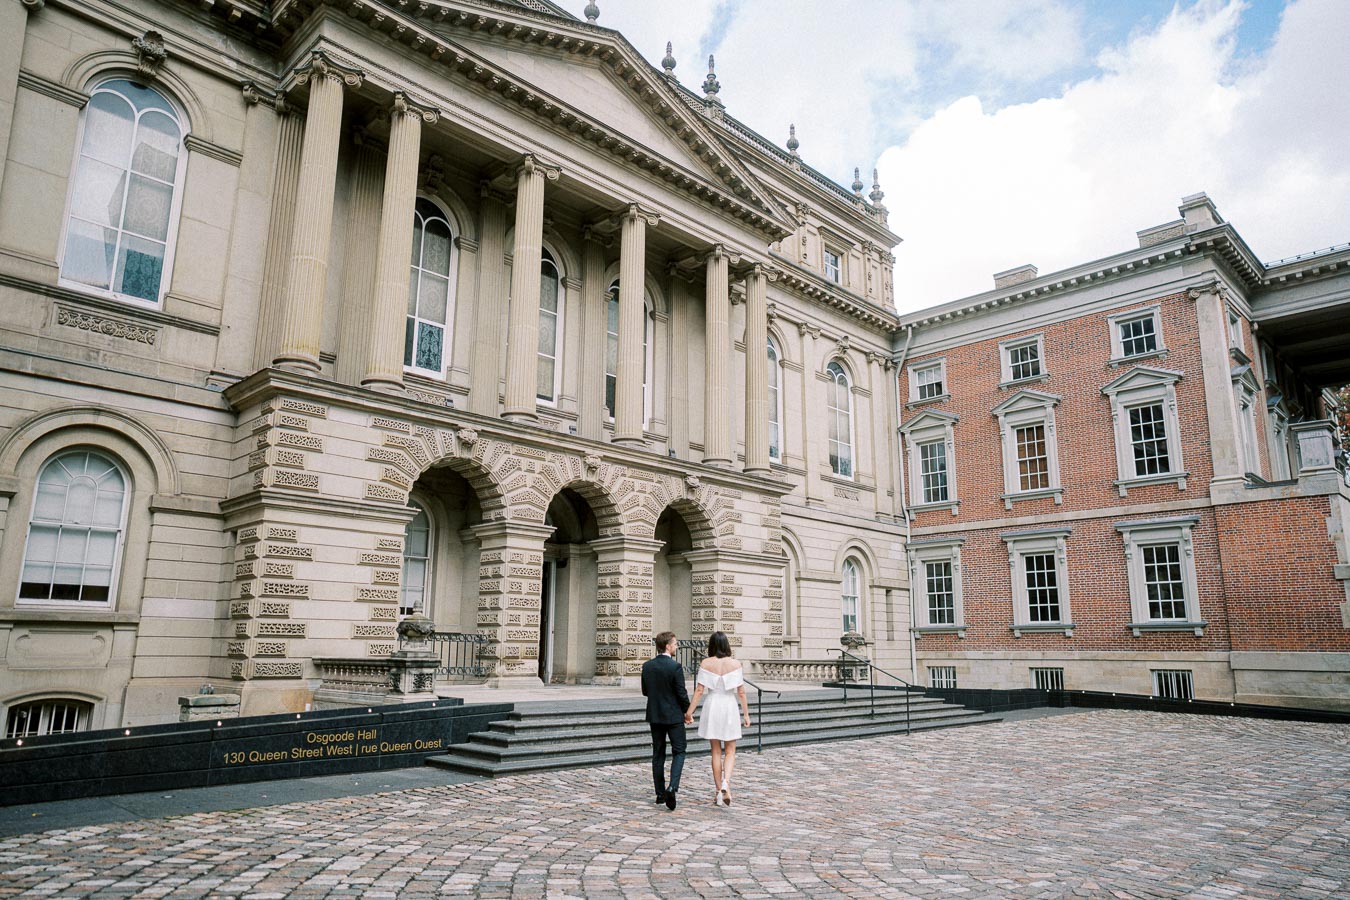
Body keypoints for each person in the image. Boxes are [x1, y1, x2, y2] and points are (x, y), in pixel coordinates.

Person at [684, 630, 751, 807]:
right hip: (729, 705)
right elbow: (741, 692)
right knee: (730, 750)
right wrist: (746, 714)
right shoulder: (735, 664)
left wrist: (689, 712)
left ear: (712, 645)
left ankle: (717, 791)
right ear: (726, 645)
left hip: (713, 705)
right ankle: (726, 783)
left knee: (715, 751)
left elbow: (699, 690)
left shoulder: (706, 663)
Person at [641, 630, 690, 810]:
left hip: (655, 715)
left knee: (658, 754)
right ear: (668, 646)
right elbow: (681, 694)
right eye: (675, 644)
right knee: (679, 751)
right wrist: (688, 711)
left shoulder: (647, 666)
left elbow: (645, 691)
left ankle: (660, 794)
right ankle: (672, 787)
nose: (677, 646)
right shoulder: (675, 667)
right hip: (674, 716)